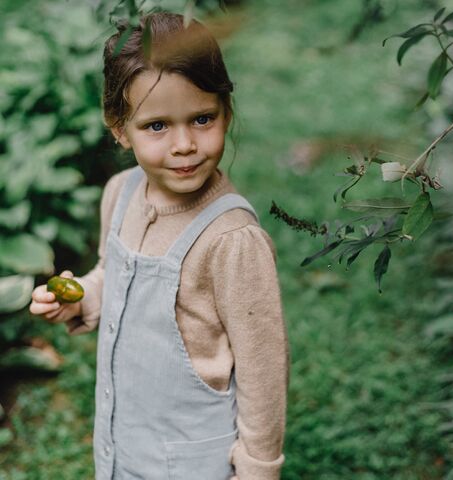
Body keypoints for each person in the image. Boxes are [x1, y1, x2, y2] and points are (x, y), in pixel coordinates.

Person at [29, 11, 288, 480]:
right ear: (118, 127)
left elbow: (263, 369)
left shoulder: (232, 239)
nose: (185, 144)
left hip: (194, 462)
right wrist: (85, 296)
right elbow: (117, 275)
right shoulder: (121, 194)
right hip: (122, 444)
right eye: (157, 126)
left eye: (202, 118)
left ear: (226, 111)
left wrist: (257, 468)